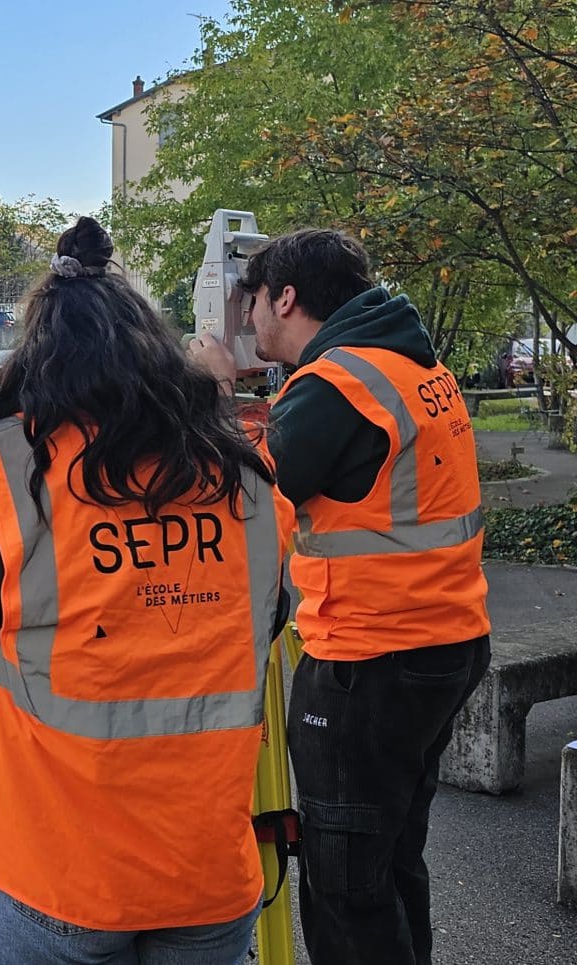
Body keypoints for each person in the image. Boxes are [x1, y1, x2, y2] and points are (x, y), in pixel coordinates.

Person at [0, 217, 293, 965]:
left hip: (52, 862)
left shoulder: (7, 466)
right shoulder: (243, 473)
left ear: (36, 358)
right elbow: (264, 620)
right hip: (205, 864)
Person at [187, 227, 490, 965]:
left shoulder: (336, 385)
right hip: (446, 641)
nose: (246, 316)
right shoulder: (410, 362)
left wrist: (216, 392)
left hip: (370, 659)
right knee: (392, 860)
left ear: (286, 298)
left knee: (348, 887)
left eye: (252, 300)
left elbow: (246, 496)